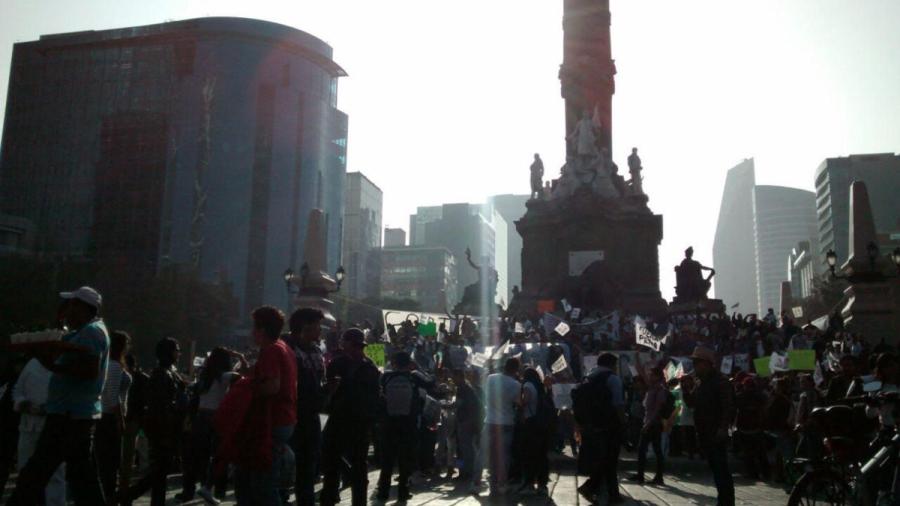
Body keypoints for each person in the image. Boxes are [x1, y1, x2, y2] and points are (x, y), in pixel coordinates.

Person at [8, 286, 109, 506]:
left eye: (72, 305)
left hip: (68, 416)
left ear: (83, 308)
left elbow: (89, 371)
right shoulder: (86, 331)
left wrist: (52, 366)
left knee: (35, 474)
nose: (67, 310)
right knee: (82, 480)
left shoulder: (91, 333)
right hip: (75, 414)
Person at [234, 306, 297, 506]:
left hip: (271, 421)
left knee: (262, 486)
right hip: (284, 419)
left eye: (254, 328)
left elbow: (272, 386)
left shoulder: (271, 350)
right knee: (260, 482)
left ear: (261, 330)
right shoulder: (284, 348)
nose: (252, 332)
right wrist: (250, 373)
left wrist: (245, 388)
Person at [320, 328, 381, 506]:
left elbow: (375, 397)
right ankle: (333, 498)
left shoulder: (367, 367)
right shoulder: (342, 364)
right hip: (342, 421)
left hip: (353, 422)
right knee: (337, 463)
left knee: (352, 466)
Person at [122, 337, 186, 506]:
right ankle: (128, 495)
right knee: (160, 471)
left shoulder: (167, 372)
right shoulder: (161, 374)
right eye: (176, 350)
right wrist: (165, 432)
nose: (178, 353)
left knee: (160, 473)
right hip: (163, 430)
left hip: (166, 429)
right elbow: (160, 407)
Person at [177, 347, 244, 504]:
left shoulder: (204, 376)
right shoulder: (226, 376)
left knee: (198, 456)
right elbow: (246, 377)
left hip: (200, 417)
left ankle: (190, 490)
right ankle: (215, 491)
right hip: (216, 417)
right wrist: (240, 356)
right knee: (219, 456)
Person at [375, 351, 432, 502]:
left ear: (394, 363)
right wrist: (418, 368)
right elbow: (431, 385)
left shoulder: (386, 376)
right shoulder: (414, 376)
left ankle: (382, 493)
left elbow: (377, 394)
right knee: (405, 460)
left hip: (388, 424)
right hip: (408, 424)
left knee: (387, 460)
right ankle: (403, 493)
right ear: (409, 363)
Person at [682, 346, 735, 506]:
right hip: (705, 432)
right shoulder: (701, 383)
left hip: (716, 432)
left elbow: (728, 407)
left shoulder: (721, 381)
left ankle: (726, 502)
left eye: (697, 363)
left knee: (721, 470)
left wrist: (722, 428)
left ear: (706, 364)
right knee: (716, 470)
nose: (695, 367)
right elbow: (692, 403)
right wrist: (685, 389)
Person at [286, 307, 326, 506]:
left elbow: (318, 382)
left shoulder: (317, 350)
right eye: (318, 326)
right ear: (305, 326)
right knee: (284, 467)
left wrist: (328, 390)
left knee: (308, 468)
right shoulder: (285, 348)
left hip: (312, 416)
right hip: (289, 416)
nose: (321, 330)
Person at [13, 357, 66, 505]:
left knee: (55, 473)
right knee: (25, 469)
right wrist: (24, 404)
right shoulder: (32, 363)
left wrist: (51, 407)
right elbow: (17, 391)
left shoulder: (64, 363)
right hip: (28, 425)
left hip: (52, 424)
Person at [576, 353, 626, 505]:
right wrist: (623, 422)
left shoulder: (588, 377)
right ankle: (612, 495)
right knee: (610, 460)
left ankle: (592, 486)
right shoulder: (612, 378)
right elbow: (618, 403)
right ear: (611, 364)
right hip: (609, 424)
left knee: (601, 458)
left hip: (590, 425)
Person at [96, 330, 132, 502]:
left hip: (103, 415)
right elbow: (113, 396)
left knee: (104, 460)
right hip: (110, 417)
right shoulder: (116, 366)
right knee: (111, 461)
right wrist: (121, 420)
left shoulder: (107, 363)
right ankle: (109, 496)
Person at [481, 357, 522, 497]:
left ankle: (492, 484)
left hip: (490, 421)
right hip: (506, 422)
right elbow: (518, 402)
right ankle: (502, 484)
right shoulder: (516, 384)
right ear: (516, 370)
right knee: (504, 456)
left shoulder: (491, 378)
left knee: (491, 455)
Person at [629, 367, 666, 485]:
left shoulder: (660, 389)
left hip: (653, 424)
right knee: (646, 450)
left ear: (658, 376)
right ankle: (642, 475)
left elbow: (659, 409)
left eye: (652, 375)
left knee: (651, 450)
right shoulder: (651, 389)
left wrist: (648, 423)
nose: (649, 377)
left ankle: (657, 476)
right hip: (648, 422)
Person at [519, 367, 550, 496]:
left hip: (530, 423)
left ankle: (529, 483)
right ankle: (542, 484)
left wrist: (517, 401)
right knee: (542, 454)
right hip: (541, 423)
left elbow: (524, 402)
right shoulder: (540, 386)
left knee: (529, 454)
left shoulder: (527, 385)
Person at [451, 368, 483, 494]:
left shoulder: (463, 388)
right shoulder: (467, 388)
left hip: (465, 422)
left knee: (465, 449)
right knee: (460, 449)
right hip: (465, 421)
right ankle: (462, 471)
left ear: (459, 376)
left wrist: (445, 405)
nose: (453, 379)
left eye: (454, 377)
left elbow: (459, 404)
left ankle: (467, 472)